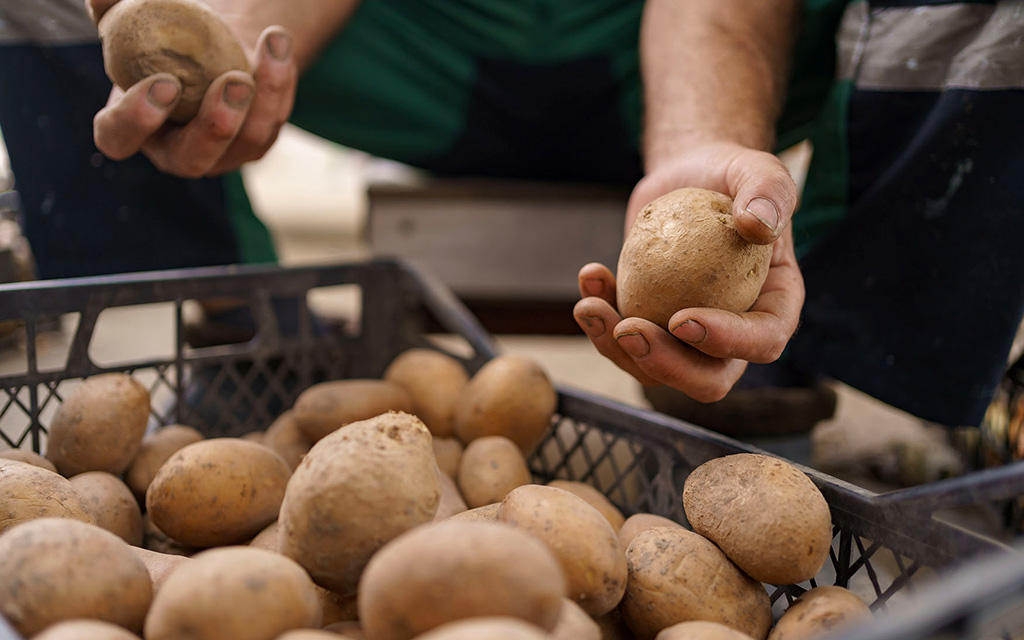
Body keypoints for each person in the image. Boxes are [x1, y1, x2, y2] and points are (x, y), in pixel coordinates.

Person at [2, 0, 1021, 434]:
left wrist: (698, 154)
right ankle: (250, 331)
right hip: (419, 53)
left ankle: (815, 348)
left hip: (682, 49)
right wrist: (231, 47)